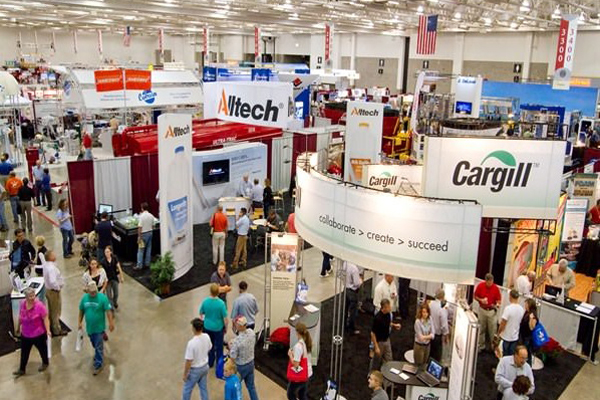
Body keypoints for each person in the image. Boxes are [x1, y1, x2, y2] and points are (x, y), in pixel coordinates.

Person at [78, 281, 115, 375]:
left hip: (99, 328)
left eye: (95, 292)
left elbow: (108, 311)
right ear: (88, 291)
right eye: (91, 292)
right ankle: (99, 353)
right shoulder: (84, 299)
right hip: (90, 328)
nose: (93, 294)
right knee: (94, 344)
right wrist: (79, 322)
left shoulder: (102, 298)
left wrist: (111, 323)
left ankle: (98, 364)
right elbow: (81, 310)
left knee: (98, 346)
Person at [12, 287, 50, 377]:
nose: (32, 298)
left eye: (33, 295)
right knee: (24, 353)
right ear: (26, 297)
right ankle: (22, 369)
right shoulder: (22, 304)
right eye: (30, 296)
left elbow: (45, 318)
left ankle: (45, 362)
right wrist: (18, 327)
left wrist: (48, 330)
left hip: (38, 334)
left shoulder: (39, 306)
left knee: (43, 350)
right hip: (26, 334)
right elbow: (20, 316)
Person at [228, 316, 259, 400]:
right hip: (251, 363)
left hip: (240, 367)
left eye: (236, 324)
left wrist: (230, 347)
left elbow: (233, 356)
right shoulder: (251, 333)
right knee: (251, 387)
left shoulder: (237, 341)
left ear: (240, 326)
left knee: (236, 387)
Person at [199, 284, 228, 368]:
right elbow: (225, 319)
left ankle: (210, 362)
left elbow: (201, 313)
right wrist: (225, 327)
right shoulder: (221, 304)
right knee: (219, 346)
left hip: (207, 327)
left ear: (210, 291)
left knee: (210, 345)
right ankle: (219, 363)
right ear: (218, 292)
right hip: (218, 328)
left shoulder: (205, 301)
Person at [182, 318, 211, 400]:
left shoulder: (191, 343)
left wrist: (185, 374)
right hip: (205, 366)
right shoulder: (206, 337)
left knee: (187, 389)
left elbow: (189, 361)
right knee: (203, 388)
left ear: (194, 329)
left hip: (195, 370)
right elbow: (209, 348)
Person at [370, 299, 401, 371]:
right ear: (384, 307)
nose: (390, 308)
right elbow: (373, 333)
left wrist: (394, 325)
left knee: (389, 359)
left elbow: (388, 323)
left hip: (387, 340)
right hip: (379, 342)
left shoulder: (388, 314)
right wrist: (376, 347)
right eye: (389, 306)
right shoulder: (377, 318)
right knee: (376, 361)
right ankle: (371, 374)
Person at [474, 273, 502, 352]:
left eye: (491, 282)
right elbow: (475, 296)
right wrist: (481, 300)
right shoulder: (480, 286)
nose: (490, 284)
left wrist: (497, 304)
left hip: (491, 311)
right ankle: (481, 346)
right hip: (482, 310)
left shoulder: (495, 288)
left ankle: (493, 348)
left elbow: (499, 300)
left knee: (492, 330)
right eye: (488, 282)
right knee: (481, 329)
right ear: (485, 281)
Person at [42, 251, 67, 336]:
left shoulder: (47, 266)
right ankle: (56, 330)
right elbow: (53, 281)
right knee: (55, 311)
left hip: (49, 290)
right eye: (53, 254)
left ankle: (52, 326)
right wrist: (58, 288)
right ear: (50, 257)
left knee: (52, 309)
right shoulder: (51, 268)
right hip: (53, 292)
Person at [287, 323, 313, 400]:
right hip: (308, 373)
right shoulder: (306, 342)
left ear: (297, 332)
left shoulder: (298, 346)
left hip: (301, 376)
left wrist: (290, 355)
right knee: (302, 395)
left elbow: (296, 365)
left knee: (290, 394)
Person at [498, 289, 525, 357]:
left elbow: (503, 323)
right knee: (511, 355)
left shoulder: (508, 308)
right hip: (515, 336)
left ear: (510, 296)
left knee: (504, 354)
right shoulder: (521, 309)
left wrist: (499, 332)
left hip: (506, 336)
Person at [429, 289, 450, 362]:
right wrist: (446, 336)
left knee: (429, 354)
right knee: (436, 357)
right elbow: (444, 325)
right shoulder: (442, 309)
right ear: (443, 296)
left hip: (429, 332)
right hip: (437, 336)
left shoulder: (431, 304)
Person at [135, 202, 155, 270]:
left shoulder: (141, 216)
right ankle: (147, 263)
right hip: (150, 233)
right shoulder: (151, 215)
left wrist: (139, 237)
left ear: (142, 208)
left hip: (143, 234)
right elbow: (153, 226)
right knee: (149, 249)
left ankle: (139, 265)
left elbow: (140, 227)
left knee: (141, 250)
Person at [344, 261, 362, 335]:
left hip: (346, 289)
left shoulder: (345, 263)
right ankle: (351, 328)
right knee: (353, 311)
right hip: (352, 291)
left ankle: (344, 325)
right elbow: (357, 283)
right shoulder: (354, 268)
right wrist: (361, 281)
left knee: (346, 308)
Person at [519, 298, 538, 366]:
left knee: (527, 353)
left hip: (527, 337)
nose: (525, 305)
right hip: (523, 335)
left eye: (526, 304)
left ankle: (528, 366)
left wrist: (530, 319)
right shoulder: (526, 312)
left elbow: (531, 327)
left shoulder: (533, 315)